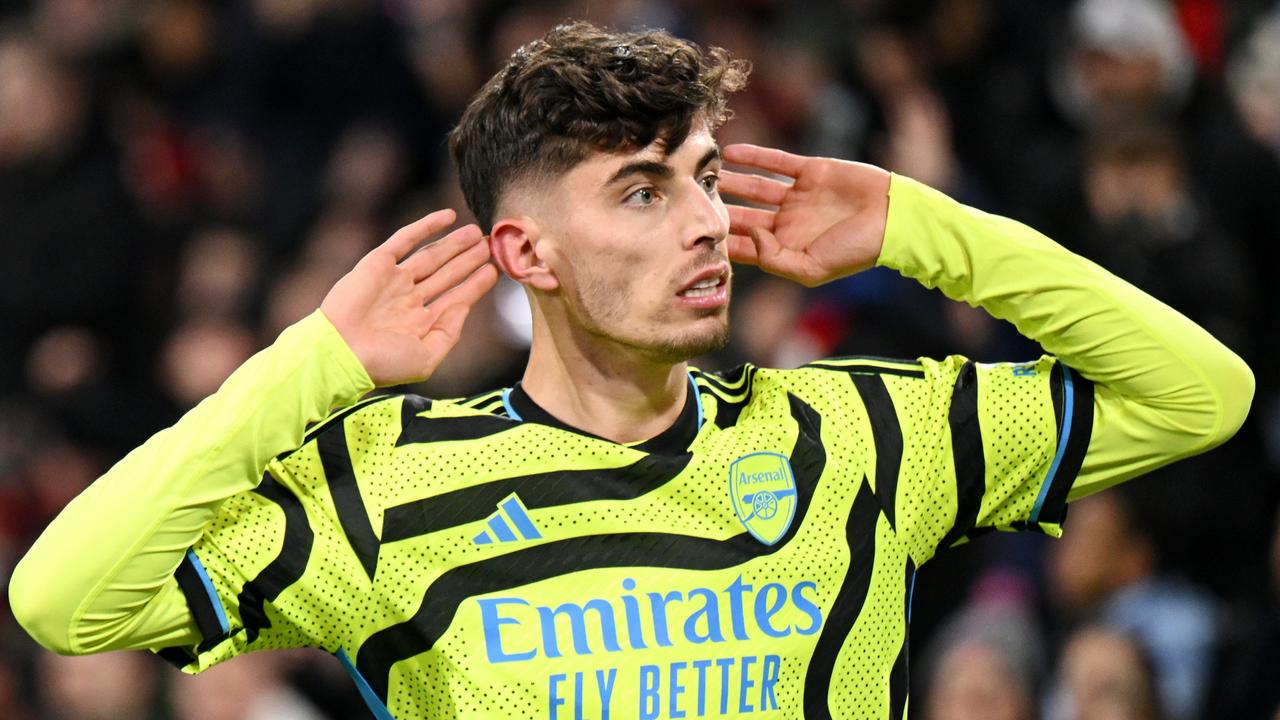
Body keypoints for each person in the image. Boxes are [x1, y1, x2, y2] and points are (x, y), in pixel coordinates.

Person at [9, 21, 1253, 720]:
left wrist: (926, 230)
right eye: (643, 192)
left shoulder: (860, 433)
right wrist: (314, 366)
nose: (705, 222)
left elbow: (1202, 395)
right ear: (524, 252)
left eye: (707, 179)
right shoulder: (381, 488)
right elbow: (65, 602)